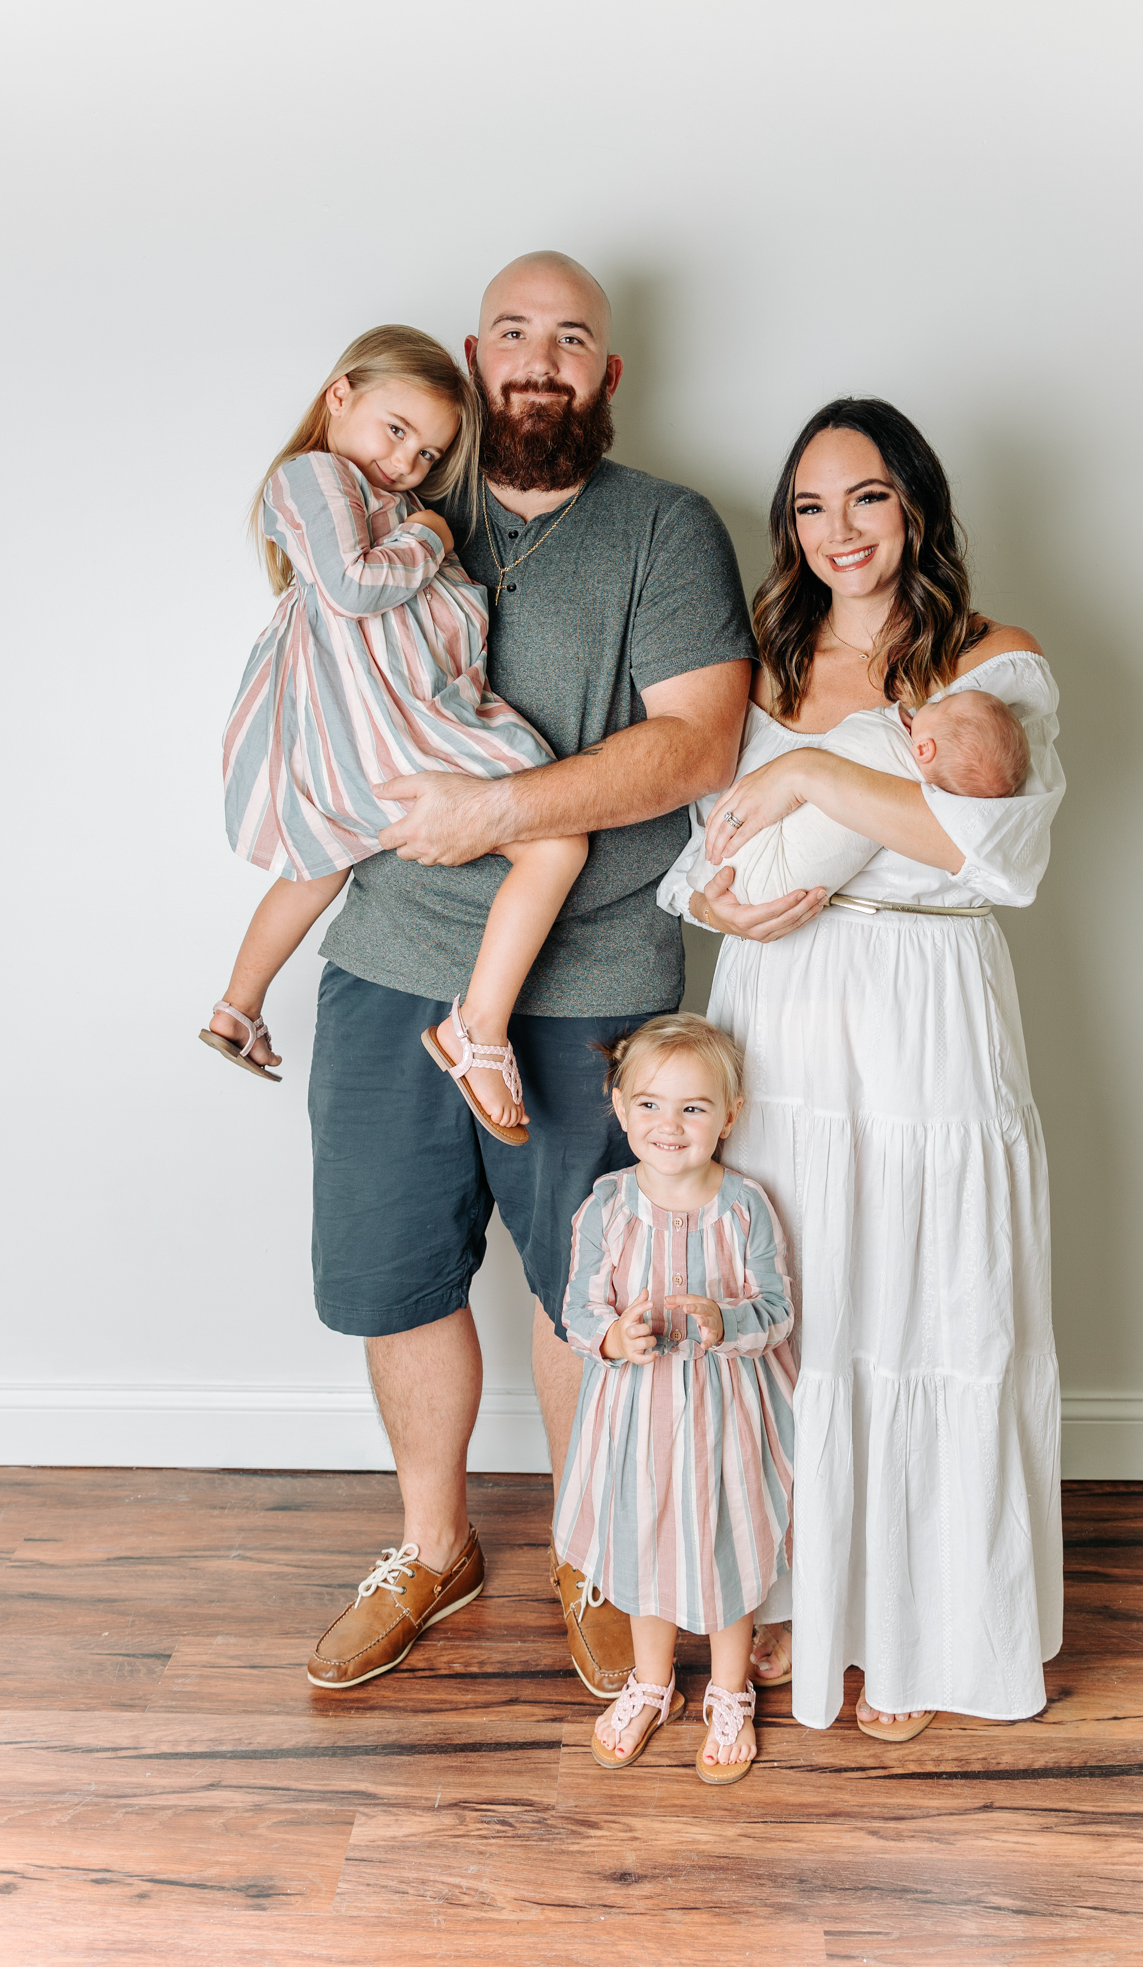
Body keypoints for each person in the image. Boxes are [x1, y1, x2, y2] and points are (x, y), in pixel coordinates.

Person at [300, 253, 758, 1695]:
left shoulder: (665, 527)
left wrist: (499, 808)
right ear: (473, 355)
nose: (540, 359)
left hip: (595, 982)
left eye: (570, 337)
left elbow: (697, 745)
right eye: (514, 332)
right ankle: (433, 1549)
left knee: (589, 1291)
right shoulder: (393, 504)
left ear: (605, 372)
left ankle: (592, 1551)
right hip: (386, 957)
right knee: (392, 1275)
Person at [657, 396, 1066, 1737]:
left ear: (917, 506)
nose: (841, 529)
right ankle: (795, 1596)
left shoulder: (994, 659)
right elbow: (702, 850)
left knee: (932, 1304)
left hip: (927, 1000)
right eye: (812, 505)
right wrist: (723, 901)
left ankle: (922, 1628)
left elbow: (987, 846)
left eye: (869, 496)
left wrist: (819, 782)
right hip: (782, 1005)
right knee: (802, 1303)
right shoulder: (767, 664)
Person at [201, 325, 586, 1140]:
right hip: (394, 723)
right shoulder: (314, 475)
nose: (407, 462)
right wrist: (433, 534)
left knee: (320, 864)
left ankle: (236, 1008)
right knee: (557, 839)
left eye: (427, 454)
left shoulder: (384, 500)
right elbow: (353, 586)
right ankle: (476, 1029)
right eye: (397, 430)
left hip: (364, 733)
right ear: (340, 395)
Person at [552, 1015, 796, 1784]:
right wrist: (610, 1337)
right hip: (634, 1416)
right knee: (642, 1541)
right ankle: (651, 1684)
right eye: (650, 1104)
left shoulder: (746, 1205)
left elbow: (778, 1310)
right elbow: (577, 1307)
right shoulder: (605, 1205)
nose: (670, 1124)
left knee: (727, 1543)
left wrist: (726, 1322)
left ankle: (729, 1690)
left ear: (729, 1115)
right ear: (620, 1108)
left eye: (693, 1108)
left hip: (725, 1415)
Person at [686, 687, 1030, 906]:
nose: (932, 701)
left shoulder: (893, 752)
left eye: (941, 704)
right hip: (745, 904)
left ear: (924, 749)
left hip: (764, 891)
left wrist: (802, 771)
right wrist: (707, 909)